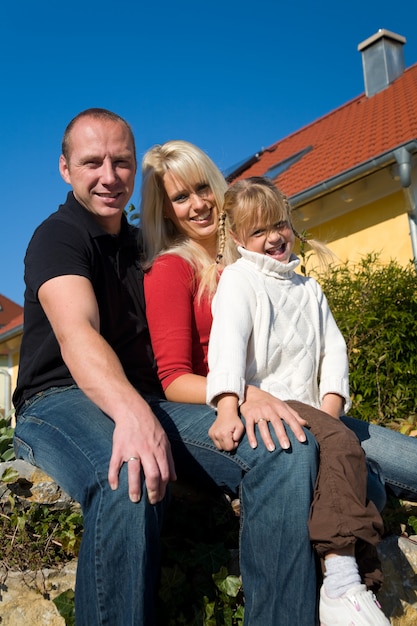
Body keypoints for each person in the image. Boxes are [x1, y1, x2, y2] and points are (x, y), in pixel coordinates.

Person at [12, 110, 320, 626]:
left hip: (149, 400)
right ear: (65, 169)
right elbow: (77, 334)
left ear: (135, 170)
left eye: (122, 162)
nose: (109, 176)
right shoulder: (59, 237)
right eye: (92, 163)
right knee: (129, 472)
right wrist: (133, 416)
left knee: (284, 447)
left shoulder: (145, 248)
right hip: (57, 402)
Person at [141, 140, 417, 623]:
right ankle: (341, 580)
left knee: (403, 462)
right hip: (251, 404)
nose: (198, 204)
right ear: (166, 213)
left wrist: (328, 401)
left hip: (310, 407)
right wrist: (243, 396)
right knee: (344, 470)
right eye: (180, 198)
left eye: (202, 188)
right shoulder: (173, 269)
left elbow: (324, 343)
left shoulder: (266, 261)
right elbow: (173, 379)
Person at [206, 176, 391, 625]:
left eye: (280, 224)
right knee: (346, 452)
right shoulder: (238, 279)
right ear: (236, 238)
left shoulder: (309, 288)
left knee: (370, 481)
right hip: (273, 405)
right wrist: (228, 406)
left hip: (314, 409)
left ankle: (344, 577)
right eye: (258, 231)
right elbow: (227, 346)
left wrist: (331, 415)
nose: (274, 237)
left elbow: (334, 353)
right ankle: (343, 580)